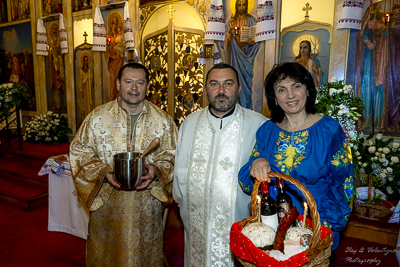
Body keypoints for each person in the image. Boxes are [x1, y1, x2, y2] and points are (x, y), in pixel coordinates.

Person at [69, 63, 178, 266]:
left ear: (147, 86)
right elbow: (79, 152)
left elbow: (173, 156)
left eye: (140, 82)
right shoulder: (97, 118)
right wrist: (103, 171)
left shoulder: (163, 121)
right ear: (118, 84)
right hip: (108, 207)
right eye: (128, 82)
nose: (134, 88)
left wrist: (157, 170)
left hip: (146, 208)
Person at [238, 62, 354, 251]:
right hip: (272, 225)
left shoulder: (330, 130)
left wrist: (321, 226)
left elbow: (344, 186)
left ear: (308, 89)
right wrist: (256, 163)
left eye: (296, 86)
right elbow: (246, 182)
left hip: (316, 223)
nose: (290, 95)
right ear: (274, 97)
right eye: (282, 90)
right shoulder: (267, 130)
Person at [173, 63, 267, 267]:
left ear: (239, 89)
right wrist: (183, 203)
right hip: (196, 218)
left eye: (228, 84)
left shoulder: (258, 124)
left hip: (239, 220)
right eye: (214, 84)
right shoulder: (190, 122)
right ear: (206, 88)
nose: (221, 91)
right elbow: (180, 169)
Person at [225, 0, 260, 109]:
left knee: (246, 87)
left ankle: (246, 109)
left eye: (244, 5)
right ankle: (234, 109)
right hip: (234, 57)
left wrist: (251, 41)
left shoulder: (252, 20)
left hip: (247, 58)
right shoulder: (231, 21)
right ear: (236, 6)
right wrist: (231, 28)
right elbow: (225, 42)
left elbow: (257, 39)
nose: (241, 7)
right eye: (239, 5)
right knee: (234, 82)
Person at [105, 15, 126, 101]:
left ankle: (119, 98)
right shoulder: (108, 36)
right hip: (112, 61)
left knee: (119, 79)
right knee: (112, 81)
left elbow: (124, 47)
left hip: (119, 61)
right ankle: (112, 98)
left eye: (116, 23)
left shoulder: (120, 35)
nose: (115, 25)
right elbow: (106, 49)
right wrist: (110, 48)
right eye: (113, 23)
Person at [79, 54, 93, 121]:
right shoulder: (81, 71)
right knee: (84, 105)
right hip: (84, 90)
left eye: (87, 61)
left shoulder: (90, 70)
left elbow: (92, 80)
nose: (86, 62)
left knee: (90, 104)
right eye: (85, 61)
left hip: (90, 90)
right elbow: (80, 82)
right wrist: (81, 90)